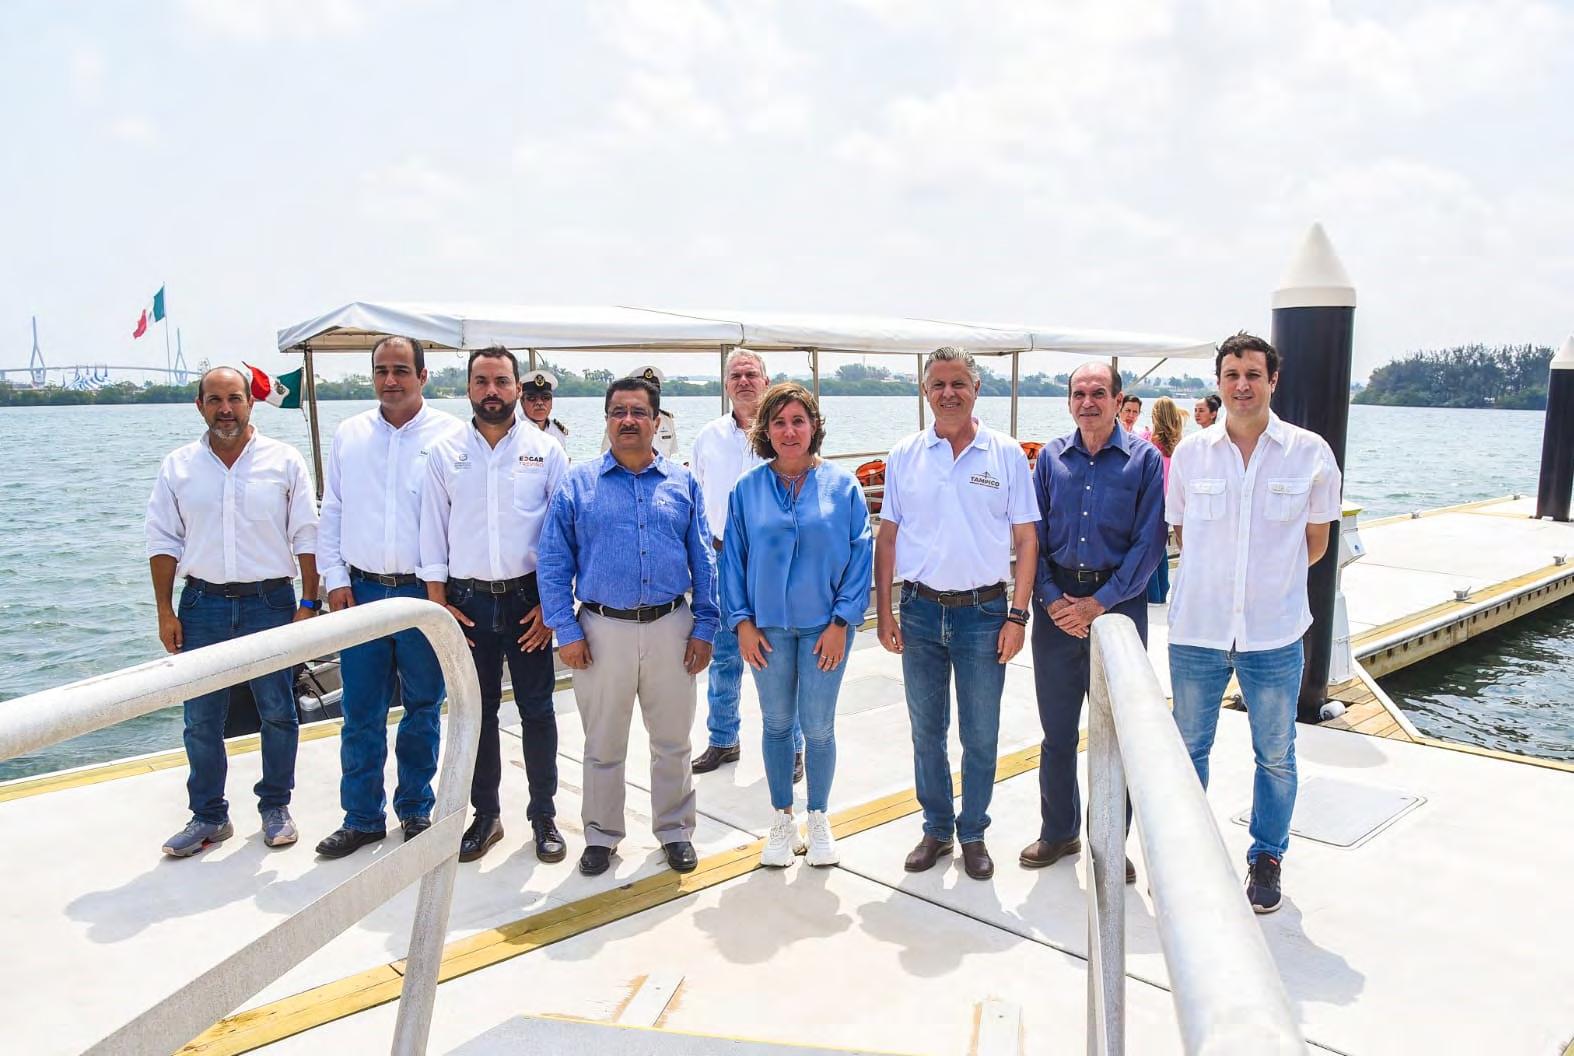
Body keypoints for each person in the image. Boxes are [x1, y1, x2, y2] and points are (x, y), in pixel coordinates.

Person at [1166, 331, 1342, 914]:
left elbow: (1316, 542)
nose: (1242, 386)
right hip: (1198, 630)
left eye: (1253, 375)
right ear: (1218, 382)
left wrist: (1267, 582)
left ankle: (1267, 857)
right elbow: (1184, 533)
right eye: (1232, 375)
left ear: (1273, 380)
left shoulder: (1310, 453)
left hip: (1274, 632)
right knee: (1188, 750)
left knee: (1276, 753)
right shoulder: (1191, 455)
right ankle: (1188, 855)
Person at [539, 374, 718, 877]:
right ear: (607, 420)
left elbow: (704, 559)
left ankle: (675, 831)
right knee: (602, 745)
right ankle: (601, 836)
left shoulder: (682, 483)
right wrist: (566, 631)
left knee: (673, 743)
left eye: (639, 412)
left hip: (671, 627)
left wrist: (705, 626)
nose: (628, 420)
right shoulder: (578, 484)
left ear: (657, 421)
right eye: (618, 412)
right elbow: (553, 561)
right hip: (601, 631)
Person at [875, 346, 1039, 881]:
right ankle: (937, 828)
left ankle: (973, 832)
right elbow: (888, 536)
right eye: (939, 385)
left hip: (984, 613)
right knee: (927, 731)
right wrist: (885, 611)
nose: (949, 393)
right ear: (925, 392)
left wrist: (1017, 616)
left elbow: (1026, 539)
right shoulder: (905, 454)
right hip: (920, 611)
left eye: (959, 383)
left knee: (981, 734)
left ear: (976, 388)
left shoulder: (1005, 454)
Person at [145, 366, 319, 857]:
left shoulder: (284, 460)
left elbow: (307, 533)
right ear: (199, 405)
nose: (226, 409)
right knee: (200, 719)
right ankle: (208, 816)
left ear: (250, 403)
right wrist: (165, 611)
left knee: (278, 711)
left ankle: (276, 806)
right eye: (215, 400)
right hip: (201, 605)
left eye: (235, 398)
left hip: (271, 603)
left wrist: (309, 602)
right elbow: (163, 539)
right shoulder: (178, 466)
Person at [314, 336, 464, 859]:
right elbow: (332, 508)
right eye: (381, 370)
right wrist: (334, 578)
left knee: (424, 706)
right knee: (360, 710)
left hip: (424, 593)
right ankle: (361, 818)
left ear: (423, 376)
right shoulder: (349, 434)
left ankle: (416, 808)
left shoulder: (451, 435)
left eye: (402, 370)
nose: (391, 380)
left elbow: (459, 514)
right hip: (362, 591)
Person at [419, 346, 570, 864]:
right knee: (476, 714)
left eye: (502, 381)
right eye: (481, 381)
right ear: (468, 388)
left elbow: (562, 534)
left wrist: (553, 606)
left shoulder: (546, 451)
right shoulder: (444, 453)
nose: (492, 391)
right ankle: (486, 816)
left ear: (517, 389)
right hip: (467, 604)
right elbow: (431, 532)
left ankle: (543, 815)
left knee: (537, 711)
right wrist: (438, 607)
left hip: (529, 601)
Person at [1019, 362, 1165, 881]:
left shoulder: (1145, 461)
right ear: (1068, 402)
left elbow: (1150, 544)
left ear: (1118, 400)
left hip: (1118, 607)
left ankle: (1109, 842)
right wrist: (1051, 598)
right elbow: (1032, 535)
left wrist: (1099, 603)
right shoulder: (1050, 459)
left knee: (1117, 735)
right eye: (1079, 393)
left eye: (1098, 393)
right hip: (1056, 607)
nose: (1088, 402)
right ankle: (1058, 831)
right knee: (1057, 732)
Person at [721, 383, 872, 868]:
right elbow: (732, 560)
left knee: (819, 727)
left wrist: (842, 621)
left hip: (826, 628)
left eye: (798, 421)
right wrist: (741, 623)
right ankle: (782, 819)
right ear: (765, 430)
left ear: (814, 427)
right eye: (779, 422)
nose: (789, 431)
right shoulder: (746, 490)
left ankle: (820, 817)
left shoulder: (843, 486)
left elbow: (860, 554)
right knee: (777, 725)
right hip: (766, 630)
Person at [690, 349, 804, 781]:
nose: (743, 381)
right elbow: (695, 501)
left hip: (772, 563)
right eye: (735, 375)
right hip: (722, 559)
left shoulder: (783, 435)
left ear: (766, 381)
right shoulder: (708, 437)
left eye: (751, 374)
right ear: (725, 385)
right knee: (723, 655)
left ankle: (793, 746)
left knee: (780, 657)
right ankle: (723, 739)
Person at [1144, 396, 1185, 604]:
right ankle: (1161, 592)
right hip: (1172, 502)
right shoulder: (1180, 444)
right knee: (1160, 551)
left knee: (1149, 552)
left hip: (1152, 502)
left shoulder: (1147, 441)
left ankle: (1153, 595)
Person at [600, 365, 678, 458]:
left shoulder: (667, 421)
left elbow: (671, 455)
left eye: (653, 392)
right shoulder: (620, 424)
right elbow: (606, 455)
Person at [518, 369, 570, 451]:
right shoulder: (514, 431)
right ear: (522, 402)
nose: (539, 403)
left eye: (545, 398)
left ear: (551, 402)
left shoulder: (558, 431)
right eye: (532, 398)